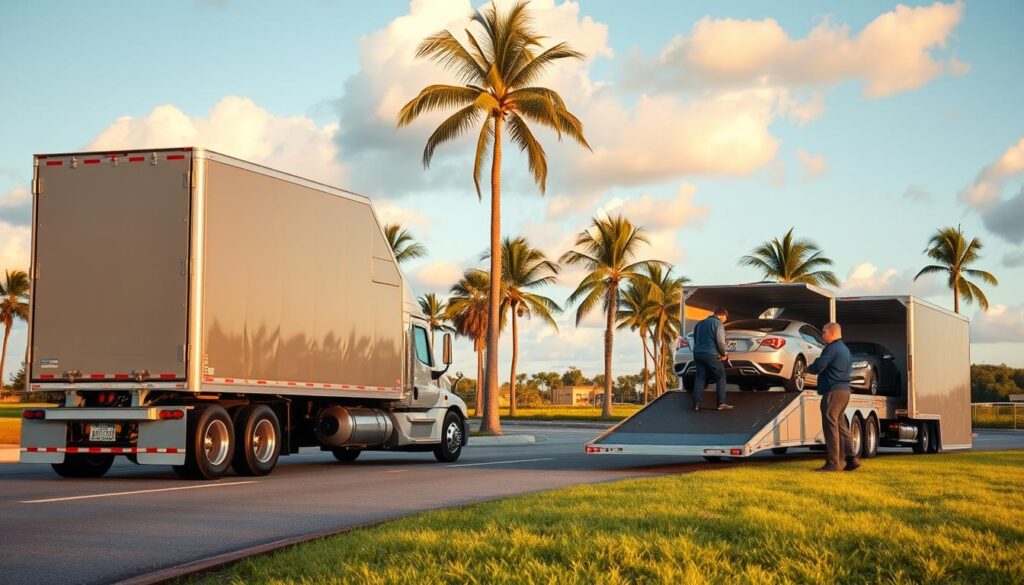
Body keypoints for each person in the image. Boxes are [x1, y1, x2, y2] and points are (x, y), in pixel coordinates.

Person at [807, 322, 861, 472]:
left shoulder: (831, 348)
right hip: (844, 392)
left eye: (824, 332)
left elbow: (819, 366)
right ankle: (851, 459)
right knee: (842, 426)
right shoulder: (845, 349)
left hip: (833, 392)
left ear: (831, 333)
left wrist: (808, 368)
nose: (822, 335)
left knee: (830, 426)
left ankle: (832, 464)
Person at [690, 307, 734, 411]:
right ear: (722, 315)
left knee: (700, 378)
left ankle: (696, 405)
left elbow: (696, 339)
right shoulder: (718, 324)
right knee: (721, 376)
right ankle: (721, 403)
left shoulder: (699, 324)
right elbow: (720, 342)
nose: (725, 320)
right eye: (726, 318)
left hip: (698, 354)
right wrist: (724, 354)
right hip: (711, 354)